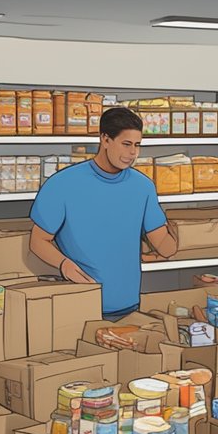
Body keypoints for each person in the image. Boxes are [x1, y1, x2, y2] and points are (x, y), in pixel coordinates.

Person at [29, 107, 178, 319]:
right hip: (79, 305)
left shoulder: (143, 187)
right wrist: (64, 265)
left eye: (137, 145)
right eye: (126, 144)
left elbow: (162, 242)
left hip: (129, 305)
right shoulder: (63, 184)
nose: (133, 153)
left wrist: (190, 237)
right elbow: (38, 241)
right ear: (105, 139)